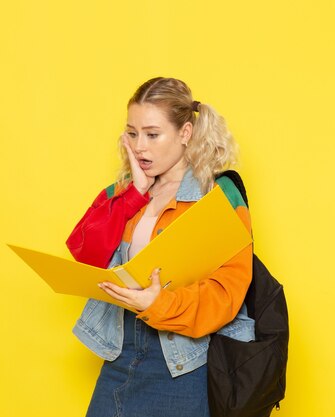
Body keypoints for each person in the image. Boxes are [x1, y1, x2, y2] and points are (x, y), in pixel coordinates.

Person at [66, 77, 255, 417]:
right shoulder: (122, 193)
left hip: (182, 366)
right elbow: (85, 253)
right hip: (119, 356)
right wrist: (134, 195)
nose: (140, 146)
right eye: (132, 133)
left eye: (152, 134)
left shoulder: (217, 198)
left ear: (185, 133)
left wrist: (160, 302)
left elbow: (227, 293)